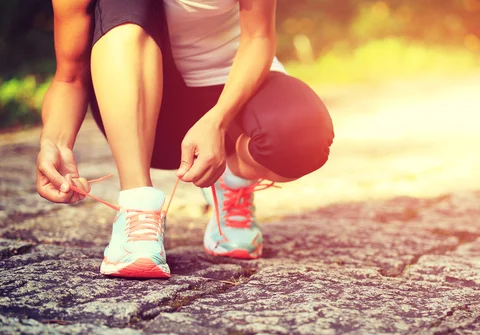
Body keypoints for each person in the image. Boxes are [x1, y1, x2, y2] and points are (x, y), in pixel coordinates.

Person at [37, 0, 334, 279]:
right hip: (148, 112)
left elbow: (259, 37)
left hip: (231, 94)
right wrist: (54, 142)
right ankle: (138, 206)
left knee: (303, 136)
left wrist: (218, 120)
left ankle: (232, 177)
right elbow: (70, 76)